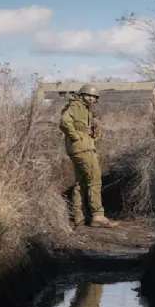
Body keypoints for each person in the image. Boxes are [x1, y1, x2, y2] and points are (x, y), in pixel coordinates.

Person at [59, 84, 120, 228]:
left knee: (82, 182)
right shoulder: (76, 106)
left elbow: (88, 130)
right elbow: (64, 122)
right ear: (82, 95)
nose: (92, 99)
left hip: (81, 148)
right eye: (89, 96)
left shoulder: (85, 109)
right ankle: (98, 216)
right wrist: (76, 137)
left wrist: (92, 133)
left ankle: (79, 216)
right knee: (95, 180)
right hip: (83, 148)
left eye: (94, 97)